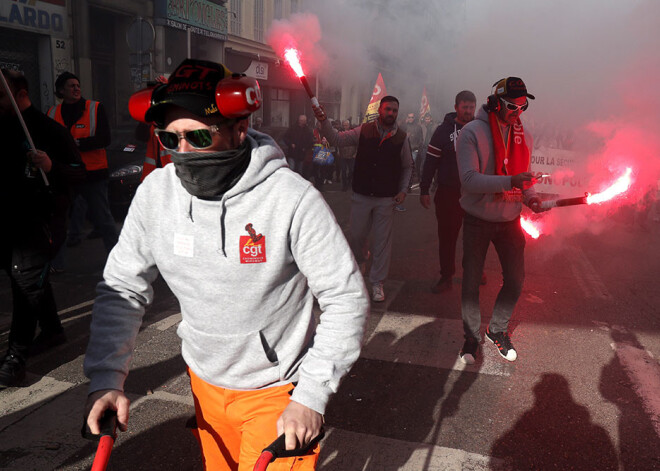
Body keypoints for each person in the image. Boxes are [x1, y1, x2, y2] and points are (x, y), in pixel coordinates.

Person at [83, 59, 369, 470]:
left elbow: (345, 297)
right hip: (204, 385)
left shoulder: (291, 198)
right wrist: (107, 377)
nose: (182, 153)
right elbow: (123, 287)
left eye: (198, 136)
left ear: (238, 128)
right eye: (169, 138)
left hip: (276, 389)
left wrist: (311, 396)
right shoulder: (155, 195)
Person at [0, 69, 84, 388]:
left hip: (41, 221)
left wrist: (51, 166)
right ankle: (52, 330)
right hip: (8, 220)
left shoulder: (49, 129)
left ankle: (16, 358)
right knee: (26, 277)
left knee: (26, 283)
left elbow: (79, 173)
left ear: (20, 94)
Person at [455, 77, 548, 365]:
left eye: (523, 106)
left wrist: (531, 198)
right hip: (477, 219)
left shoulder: (525, 135)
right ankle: (472, 337)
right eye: (512, 106)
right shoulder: (471, 133)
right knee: (470, 283)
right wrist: (511, 180)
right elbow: (469, 180)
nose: (518, 113)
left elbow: (525, 179)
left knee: (516, 280)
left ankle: (497, 330)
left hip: (510, 220)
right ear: (495, 103)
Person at [313, 96, 413, 303]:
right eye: (388, 110)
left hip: (386, 197)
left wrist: (403, 189)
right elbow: (337, 140)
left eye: (395, 110)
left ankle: (377, 282)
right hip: (362, 194)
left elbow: (407, 166)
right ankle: (361, 258)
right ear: (380, 111)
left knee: (383, 243)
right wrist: (324, 122)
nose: (391, 114)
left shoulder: (402, 137)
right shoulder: (363, 130)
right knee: (357, 235)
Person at [48, 72, 117, 253]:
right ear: (61, 91)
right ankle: (56, 262)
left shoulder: (95, 108)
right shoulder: (52, 113)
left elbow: (105, 139)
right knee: (59, 219)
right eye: (71, 86)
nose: (76, 88)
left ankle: (120, 260)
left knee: (103, 218)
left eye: (78, 85)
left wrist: (77, 144)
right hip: (65, 174)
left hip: (93, 174)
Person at [420, 91, 477, 293]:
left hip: (475, 193)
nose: (468, 111)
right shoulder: (443, 131)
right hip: (448, 192)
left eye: (471, 107)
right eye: (465, 107)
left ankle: (476, 272)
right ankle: (446, 276)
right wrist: (424, 189)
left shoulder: (481, 129)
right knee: (447, 237)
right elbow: (431, 161)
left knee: (477, 236)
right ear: (456, 107)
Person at [338, 119, 357, 191]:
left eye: (346, 125)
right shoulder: (340, 132)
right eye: (344, 125)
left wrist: (355, 153)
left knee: (351, 170)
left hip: (352, 155)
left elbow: (357, 143)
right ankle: (344, 186)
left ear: (349, 125)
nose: (345, 126)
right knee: (343, 171)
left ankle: (349, 182)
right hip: (343, 154)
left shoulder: (353, 133)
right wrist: (338, 151)